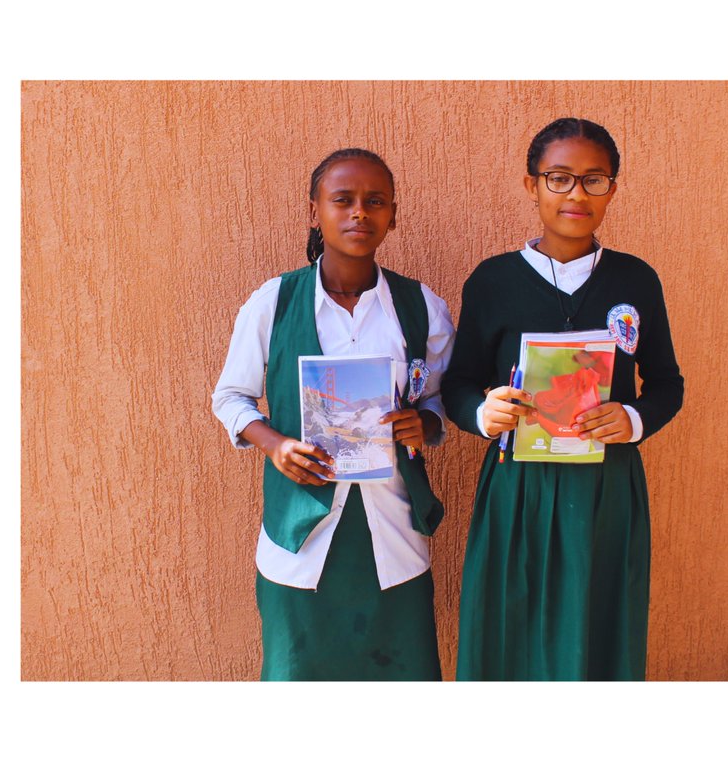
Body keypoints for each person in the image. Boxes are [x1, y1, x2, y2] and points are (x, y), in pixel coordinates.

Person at [441, 118, 684, 680]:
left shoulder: (635, 281)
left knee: (600, 619)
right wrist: (483, 412)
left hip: (607, 488)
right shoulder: (493, 281)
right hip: (517, 485)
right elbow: (457, 383)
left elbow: (667, 383)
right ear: (532, 186)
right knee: (512, 621)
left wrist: (633, 417)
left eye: (594, 179)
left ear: (612, 190)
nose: (577, 193)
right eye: (559, 178)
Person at [212, 148, 454, 681]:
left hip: (394, 539)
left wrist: (427, 424)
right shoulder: (274, 302)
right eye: (342, 200)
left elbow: (439, 399)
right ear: (314, 210)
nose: (359, 213)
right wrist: (275, 444)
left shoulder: (421, 307)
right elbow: (230, 397)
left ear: (394, 213)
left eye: (376, 202)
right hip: (300, 541)